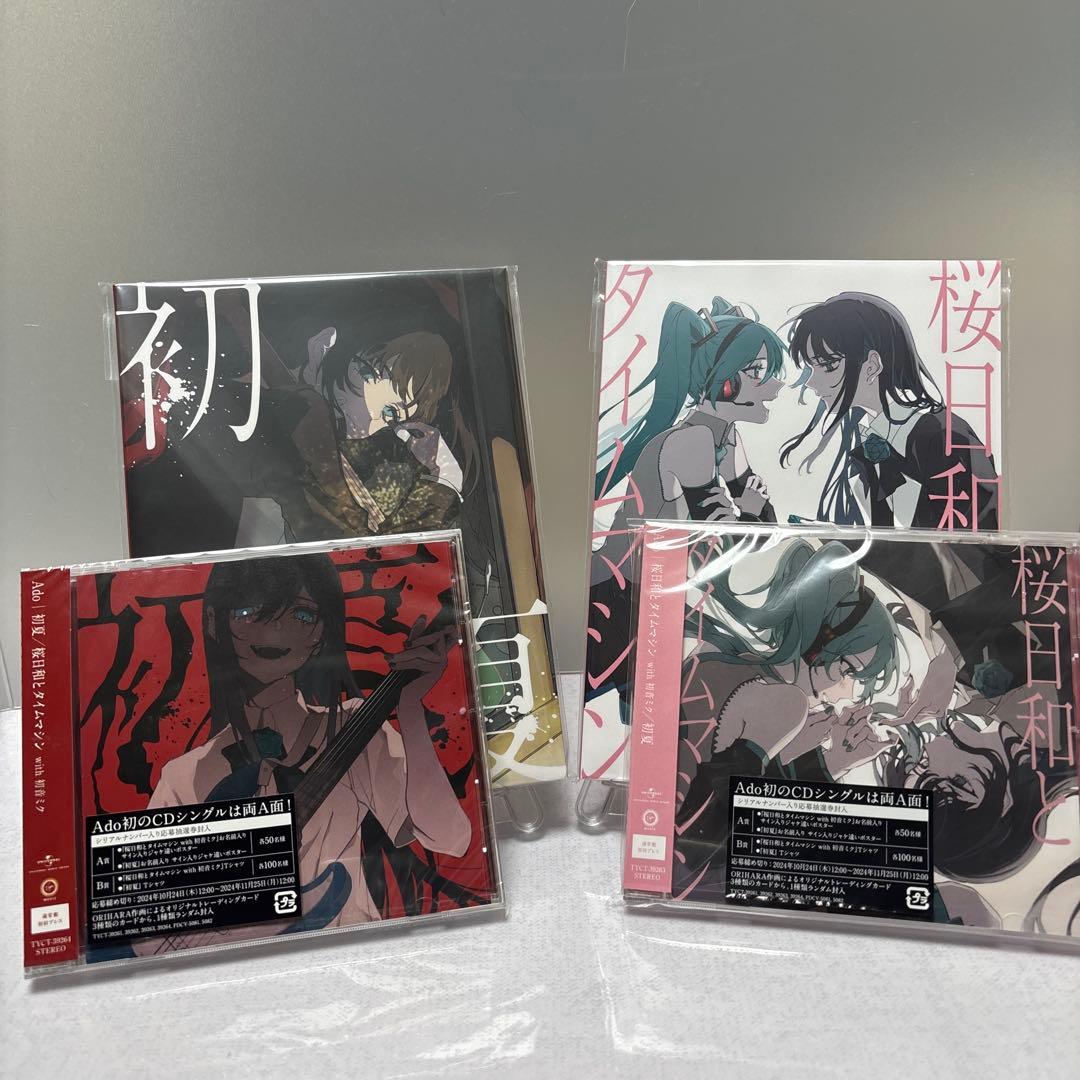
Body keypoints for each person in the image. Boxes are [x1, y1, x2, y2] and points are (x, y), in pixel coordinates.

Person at [137, 553, 471, 955]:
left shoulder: (352, 727)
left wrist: (411, 710)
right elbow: (149, 924)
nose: (275, 631)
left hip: (350, 949)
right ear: (213, 622)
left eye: (301, 615)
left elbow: (450, 838)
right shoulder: (184, 775)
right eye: (249, 612)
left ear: (322, 632)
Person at [588, 297, 786, 720]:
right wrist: (747, 512)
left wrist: (747, 515)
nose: (773, 385)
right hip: (619, 599)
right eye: (756, 372)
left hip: (659, 594)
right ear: (720, 378)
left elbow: (760, 530)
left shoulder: (726, 436)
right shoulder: (691, 441)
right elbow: (721, 548)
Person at [779, 292, 999, 529]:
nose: (811, 382)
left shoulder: (947, 437)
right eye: (811, 367)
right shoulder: (872, 439)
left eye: (828, 365)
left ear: (872, 366)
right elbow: (890, 540)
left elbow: (972, 542)